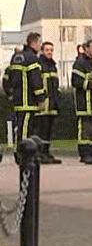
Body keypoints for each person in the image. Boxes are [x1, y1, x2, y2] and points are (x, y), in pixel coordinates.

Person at [7, 33, 45, 163]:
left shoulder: (16, 57)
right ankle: (23, 155)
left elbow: (8, 79)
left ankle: (20, 153)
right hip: (28, 101)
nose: (40, 46)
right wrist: (41, 98)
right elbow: (36, 80)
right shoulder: (32, 58)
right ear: (33, 43)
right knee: (25, 130)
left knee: (20, 127)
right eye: (40, 43)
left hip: (18, 100)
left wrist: (11, 95)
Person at [33, 41, 61, 164]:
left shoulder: (53, 66)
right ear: (42, 51)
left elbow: (55, 87)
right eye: (47, 50)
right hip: (42, 105)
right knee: (41, 131)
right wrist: (40, 100)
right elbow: (37, 84)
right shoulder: (39, 65)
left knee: (49, 131)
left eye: (51, 50)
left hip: (52, 105)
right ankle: (39, 153)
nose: (49, 52)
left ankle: (46, 152)